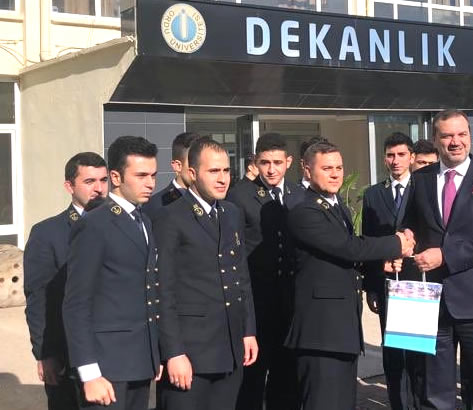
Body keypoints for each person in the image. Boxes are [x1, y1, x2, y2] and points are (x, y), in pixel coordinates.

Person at [286, 141, 415, 410]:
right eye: (327, 168)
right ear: (307, 170)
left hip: (341, 331)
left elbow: (345, 259)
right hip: (321, 333)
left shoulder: (336, 206)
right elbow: (348, 247)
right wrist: (396, 243)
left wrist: (380, 266)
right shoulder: (304, 209)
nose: (335, 174)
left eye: (339, 168)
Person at [403, 110, 473, 409]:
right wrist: (404, 239)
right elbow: (410, 224)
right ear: (435, 139)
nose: (455, 142)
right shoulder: (421, 179)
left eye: (462, 134)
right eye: (447, 135)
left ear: (470, 136)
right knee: (433, 392)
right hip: (430, 301)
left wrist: (445, 255)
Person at [153, 137, 258, 410]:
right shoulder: (171, 216)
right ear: (192, 173)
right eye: (213, 171)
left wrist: (248, 330)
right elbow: (162, 290)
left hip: (230, 347)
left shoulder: (231, 213)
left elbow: (241, 277)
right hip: (191, 351)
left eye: (226, 170)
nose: (222, 178)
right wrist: (173, 352)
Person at [63, 136, 161, 410]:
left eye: (153, 175)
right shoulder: (95, 224)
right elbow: (76, 302)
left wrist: (154, 354)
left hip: (139, 361)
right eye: (141, 175)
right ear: (116, 177)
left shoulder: (144, 220)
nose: (150, 183)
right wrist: (89, 372)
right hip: (106, 366)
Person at [24, 152, 108, 410]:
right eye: (89, 181)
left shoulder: (124, 225)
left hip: (115, 352)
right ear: (69, 186)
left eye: (103, 180)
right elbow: (39, 298)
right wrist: (45, 353)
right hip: (66, 355)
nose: (98, 188)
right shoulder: (47, 233)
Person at [227, 133, 304, 410]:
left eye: (277, 162)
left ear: (289, 162)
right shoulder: (239, 195)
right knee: (253, 378)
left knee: (287, 378)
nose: (271, 170)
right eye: (265, 163)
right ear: (255, 162)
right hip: (257, 302)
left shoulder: (299, 194)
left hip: (291, 301)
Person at [362, 132, 422, 409]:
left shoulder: (423, 188)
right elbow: (368, 240)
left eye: (401, 154)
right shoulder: (373, 194)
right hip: (388, 282)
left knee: (419, 352)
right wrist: (372, 285)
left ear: (411, 157)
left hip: (419, 280)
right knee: (394, 351)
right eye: (390, 155)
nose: (395, 160)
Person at [143, 132, 200, 218]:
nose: (200, 170)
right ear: (178, 166)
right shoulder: (156, 206)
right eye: (194, 163)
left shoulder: (215, 202)